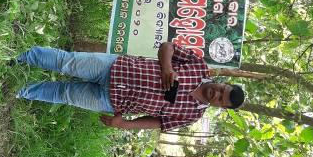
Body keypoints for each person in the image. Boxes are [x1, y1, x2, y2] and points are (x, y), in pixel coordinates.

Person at [15, 42, 244, 132]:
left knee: (64, 93)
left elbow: (157, 122)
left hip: (111, 101)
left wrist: (123, 124)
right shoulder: (199, 66)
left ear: (220, 106)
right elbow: (168, 47)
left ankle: (20, 90)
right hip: (115, 67)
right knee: (66, 62)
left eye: (220, 99)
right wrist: (167, 67)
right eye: (222, 89)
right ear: (224, 83)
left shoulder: (191, 115)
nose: (217, 93)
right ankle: (19, 57)